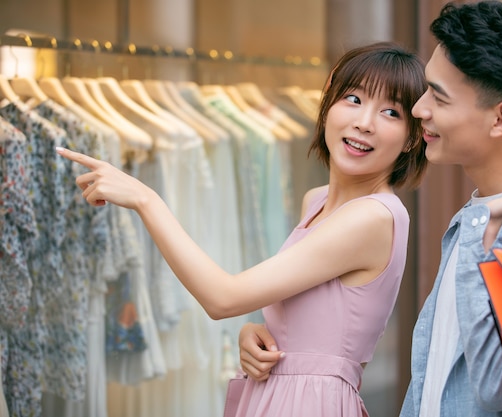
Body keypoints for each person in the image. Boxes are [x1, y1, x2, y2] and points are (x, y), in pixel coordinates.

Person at [237, 2, 502, 416]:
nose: (419, 110)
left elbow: (496, 386)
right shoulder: (479, 213)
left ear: (500, 119)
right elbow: (438, 379)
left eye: (438, 97)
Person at [58, 41, 430, 417]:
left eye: (390, 112)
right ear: (328, 102)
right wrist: (256, 334)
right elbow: (310, 328)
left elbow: (224, 298)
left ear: (413, 136)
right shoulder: (316, 202)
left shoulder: (373, 217)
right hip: (276, 394)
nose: (364, 122)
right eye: (353, 98)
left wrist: (146, 199)